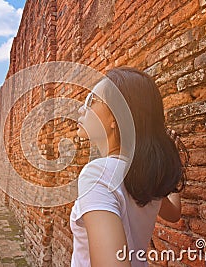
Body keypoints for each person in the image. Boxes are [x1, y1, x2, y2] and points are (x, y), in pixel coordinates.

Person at [70, 67, 186, 266]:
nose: (81, 109)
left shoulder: (98, 174)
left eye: (92, 101)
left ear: (114, 117)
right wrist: (173, 159)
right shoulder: (144, 173)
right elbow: (174, 213)